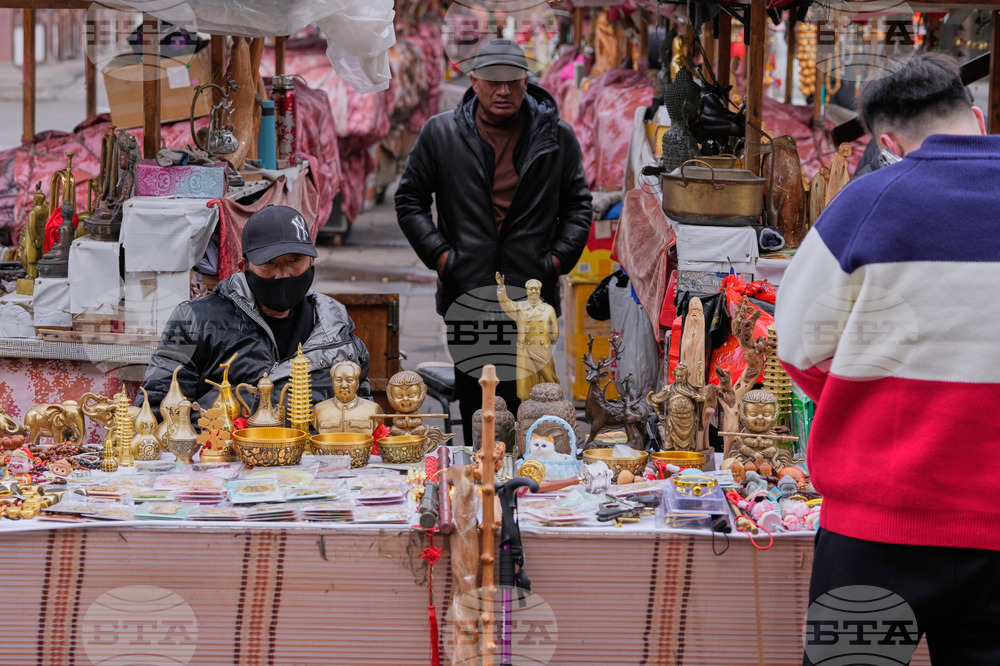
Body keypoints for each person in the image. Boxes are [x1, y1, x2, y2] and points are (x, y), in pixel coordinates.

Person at [775, 53, 1000, 665]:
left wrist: (867, 390)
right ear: (976, 118)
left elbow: (796, 345)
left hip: (875, 529)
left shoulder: (866, 202)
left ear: (888, 143)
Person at [395, 39, 592, 443]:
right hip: (468, 292)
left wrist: (554, 261)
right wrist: (443, 257)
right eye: (492, 82)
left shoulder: (556, 137)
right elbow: (409, 200)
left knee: (534, 406)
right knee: (477, 408)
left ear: (526, 82)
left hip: (532, 298)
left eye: (512, 82)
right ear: (474, 81)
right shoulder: (441, 133)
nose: (502, 91)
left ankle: (527, 491)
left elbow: (578, 206)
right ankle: (479, 492)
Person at [141, 205, 370, 420]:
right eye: (269, 263)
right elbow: (156, 409)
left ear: (311, 261)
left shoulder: (335, 329)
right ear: (244, 267)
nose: (283, 274)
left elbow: (361, 411)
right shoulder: (195, 321)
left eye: (295, 260)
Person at [496, 273, 559, 401]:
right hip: (525, 350)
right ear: (527, 291)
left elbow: (555, 332)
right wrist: (501, 288)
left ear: (540, 290)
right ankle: (526, 408)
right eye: (531, 289)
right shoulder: (520, 308)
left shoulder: (548, 309)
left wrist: (549, 342)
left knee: (548, 381)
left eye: (536, 288)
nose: (534, 291)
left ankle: (549, 406)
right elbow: (507, 304)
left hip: (543, 349)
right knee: (526, 383)